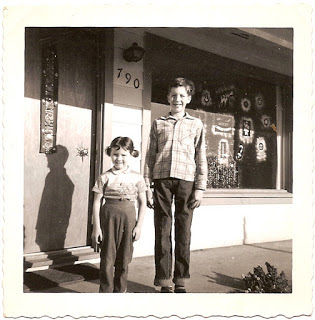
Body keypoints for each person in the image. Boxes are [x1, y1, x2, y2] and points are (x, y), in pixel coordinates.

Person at [144, 77, 208, 293]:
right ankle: (163, 280)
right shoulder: (158, 123)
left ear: (188, 98)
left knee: (183, 230)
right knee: (162, 230)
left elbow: (201, 156)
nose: (177, 99)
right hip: (161, 180)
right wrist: (147, 185)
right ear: (167, 98)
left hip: (186, 181)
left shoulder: (196, 124)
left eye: (182, 95)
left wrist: (200, 188)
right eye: (173, 95)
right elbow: (150, 155)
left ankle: (180, 279)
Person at [92, 137, 147, 293]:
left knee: (124, 257)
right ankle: (106, 292)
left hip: (128, 217)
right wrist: (96, 228)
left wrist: (139, 226)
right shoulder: (104, 177)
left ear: (131, 154)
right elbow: (96, 202)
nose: (119, 158)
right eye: (115, 154)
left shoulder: (137, 177)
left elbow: (143, 203)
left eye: (123, 155)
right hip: (108, 217)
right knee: (107, 257)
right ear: (110, 154)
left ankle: (121, 290)